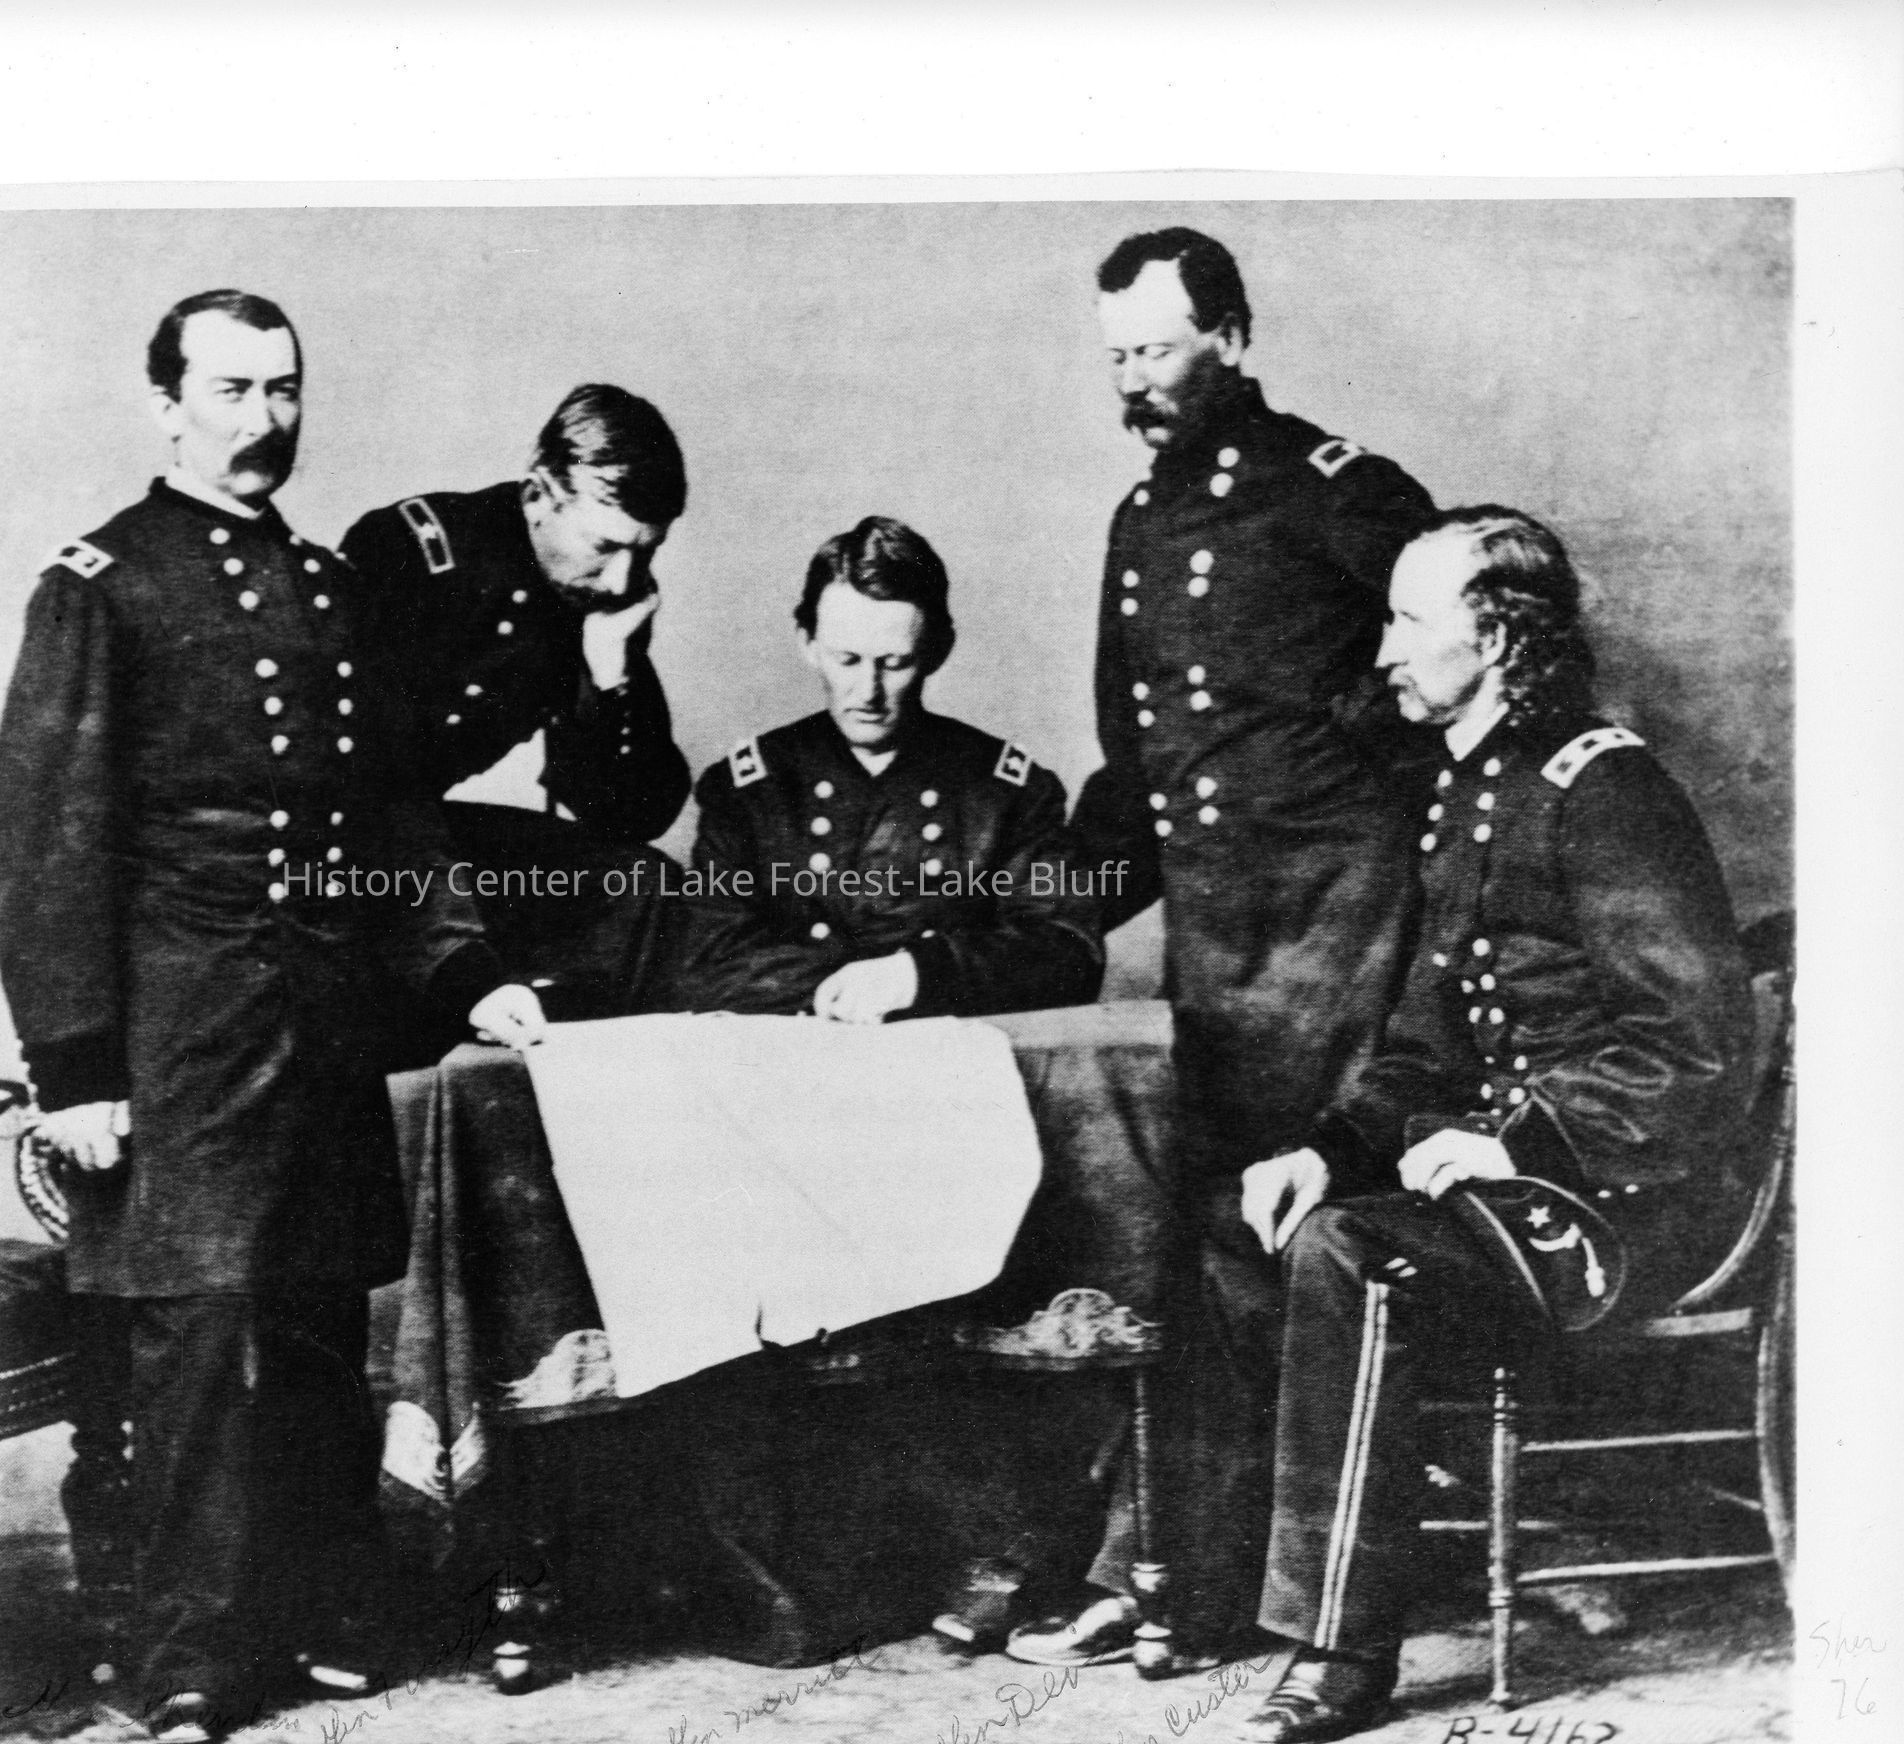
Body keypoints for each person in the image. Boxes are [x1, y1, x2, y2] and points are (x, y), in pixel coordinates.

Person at [0, 289, 545, 1744]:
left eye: (283, 389)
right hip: (179, 1026)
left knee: (313, 1321)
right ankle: (189, 1656)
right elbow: (47, 838)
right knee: (199, 1338)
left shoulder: (329, 584)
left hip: (325, 1016)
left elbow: (394, 814)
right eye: (231, 390)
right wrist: (74, 1067)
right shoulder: (102, 583)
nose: (263, 419)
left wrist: (464, 970)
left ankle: (320, 1611)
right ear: (166, 404)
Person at [1221, 508, 1755, 1740]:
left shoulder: (1605, 790)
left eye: (1410, 621)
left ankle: (1343, 1649)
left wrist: (1519, 1142)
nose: (1383, 651)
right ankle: (1206, 1596)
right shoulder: (1467, 789)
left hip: (1622, 1207)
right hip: (1512, 1193)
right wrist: (1324, 1151)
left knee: (1352, 1255)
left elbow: (1696, 1052)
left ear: (1503, 638)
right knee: (1241, 1227)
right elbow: (1422, 1051)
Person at [1007, 229, 1438, 1667]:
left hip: (1336, 932)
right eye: (1115, 353)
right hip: (1215, 946)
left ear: (1233, 339)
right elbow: (1135, 775)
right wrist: (1011, 926)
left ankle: (1244, 1590)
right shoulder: (1139, 523)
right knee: (1203, 1247)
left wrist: (1340, 795)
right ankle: (1187, 1578)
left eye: (1156, 348)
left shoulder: (1340, 490)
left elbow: (1457, 664)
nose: (1131, 378)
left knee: (1281, 1238)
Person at [340, 385, 693, 1025]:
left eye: (646, 551)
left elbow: (630, 814)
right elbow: (378, 789)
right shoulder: (410, 553)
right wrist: (465, 967)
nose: (622, 578)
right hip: (341, 840)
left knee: (645, 885)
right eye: (605, 546)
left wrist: (609, 674)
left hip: (421, 838)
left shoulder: (601, 598)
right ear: (537, 495)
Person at [676, 515, 1102, 1021]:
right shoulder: (749, 789)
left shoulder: (1008, 792)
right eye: (847, 660)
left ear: (937, 651)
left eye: (895, 663)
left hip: (948, 1050)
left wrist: (921, 976)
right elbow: (708, 960)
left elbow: (1068, 949)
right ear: (807, 643)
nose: (869, 692)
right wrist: (847, 988)